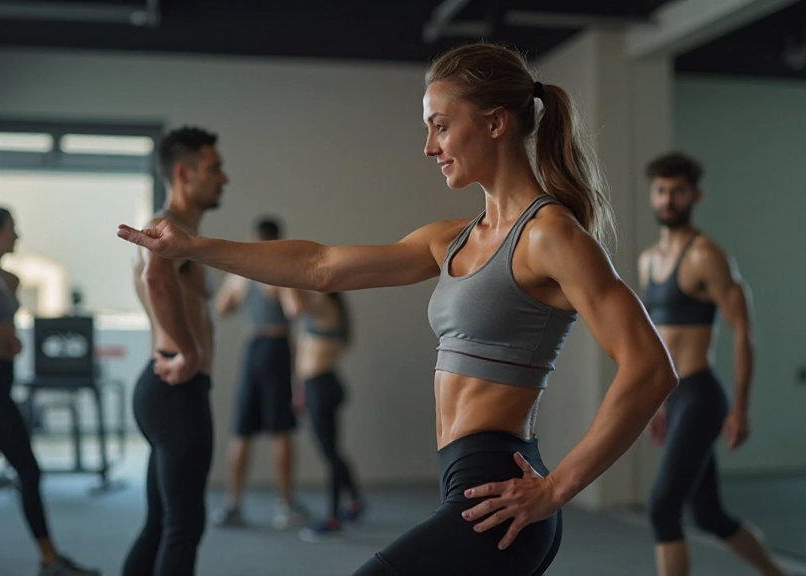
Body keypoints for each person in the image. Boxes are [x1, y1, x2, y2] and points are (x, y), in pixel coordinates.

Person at [118, 43, 677, 576]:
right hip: (464, 482)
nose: (429, 147)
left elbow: (651, 368)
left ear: (496, 122)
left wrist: (557, 490)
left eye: (440, 125)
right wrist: (193, 247)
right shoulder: (453, 238)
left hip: (497, 495)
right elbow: (320, 266)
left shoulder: (551, 235)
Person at [639, 152, 785, 576]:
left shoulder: (706, 256)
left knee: (663, 508)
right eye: (661, 190)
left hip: (702, 396)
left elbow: (744, 330)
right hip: (672, 397)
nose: (668, 200)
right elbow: (654, 340)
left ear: (695, 196)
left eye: (677, 191)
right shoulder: (647, 260)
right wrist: (655, 402)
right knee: (710, 516)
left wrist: (741, 406)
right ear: (653, 194)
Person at [0, 199, 100, 576]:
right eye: (12, 228)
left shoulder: (6, 277)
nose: (18, 234)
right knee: (29, 471)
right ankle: (50, 560)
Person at [121, 126, 226, 576]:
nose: (224, 178)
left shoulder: (175, 229)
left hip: (162, 386)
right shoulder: (170, 228)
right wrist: (190, 352)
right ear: (183, 173)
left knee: (161, 524)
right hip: (175, 386)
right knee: (184, 526)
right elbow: (156, 279)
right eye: (214, 168)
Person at [211, 216, 309, 530]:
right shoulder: (276, 272)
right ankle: (285, 505)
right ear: (278, 242)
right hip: (275, 348)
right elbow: (296, 310)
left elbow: (221, 309)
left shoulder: (242, 275)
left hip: (251, 348)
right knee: (280, 429)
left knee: (242, 429)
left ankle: (232, 504)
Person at [285, 289, 365, 543]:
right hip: (313, 386)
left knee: (329, 453)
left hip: (323, 386)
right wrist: (298, 389)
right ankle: (354, 501)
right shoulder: (317, 306)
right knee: (332, 450)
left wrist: (286, 278)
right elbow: (304, 351)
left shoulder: (325, 304)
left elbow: (294, 308)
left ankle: (333, 517)